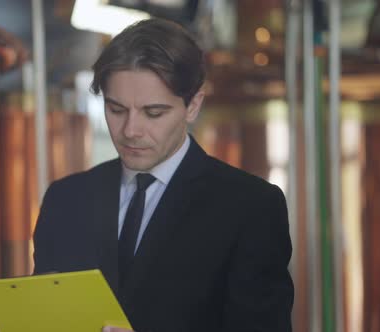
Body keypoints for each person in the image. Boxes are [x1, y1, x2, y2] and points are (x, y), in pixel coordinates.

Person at [33, 18, 293, 331]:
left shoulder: (250, 208)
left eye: (153, 113)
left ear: (193, 106)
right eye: (116, 109)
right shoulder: (66, 199)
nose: (131, 131)